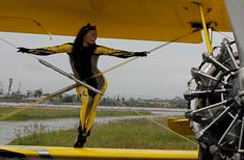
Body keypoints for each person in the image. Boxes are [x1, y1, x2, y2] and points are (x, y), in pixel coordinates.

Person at [18, 24, 147, 148]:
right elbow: (51, 50)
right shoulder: (70, 47)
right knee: (86, 103)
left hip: (99, 83)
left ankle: (85, 134)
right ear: (84, 35)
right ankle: (81, 132)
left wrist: (136, 54)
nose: (95, 38)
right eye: (93, 35)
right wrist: (29, 50)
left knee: (92, 108)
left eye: (96, 35)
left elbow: (114, 52)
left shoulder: (96, 49)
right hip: (81, 82)